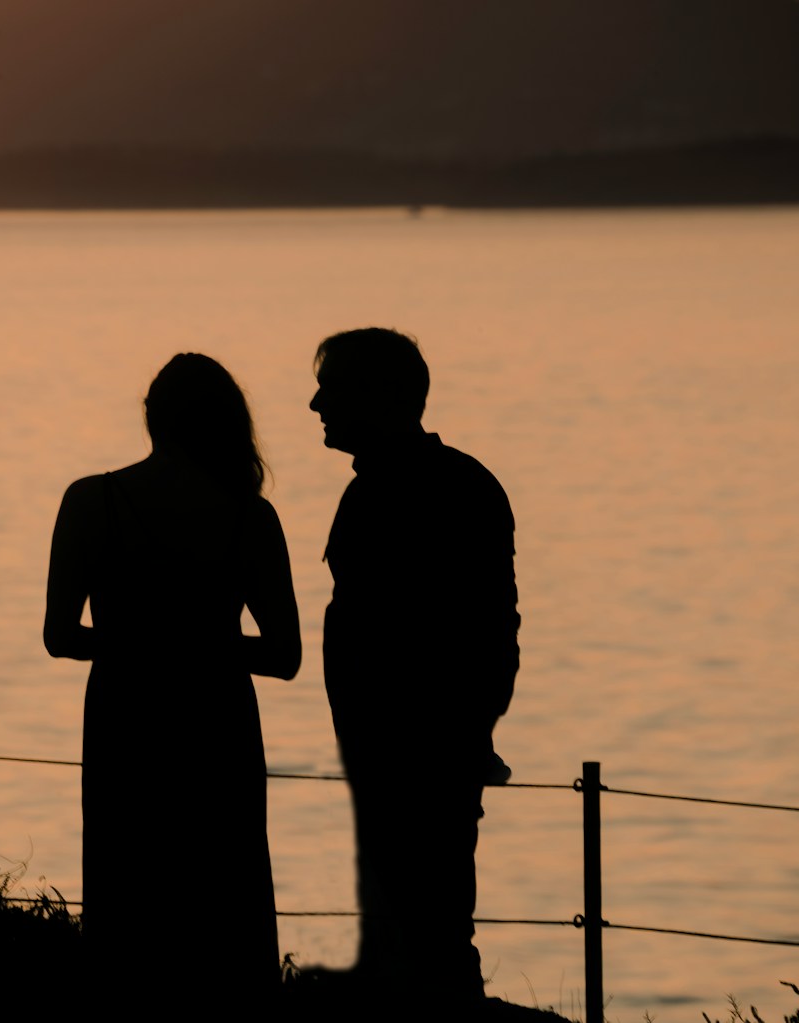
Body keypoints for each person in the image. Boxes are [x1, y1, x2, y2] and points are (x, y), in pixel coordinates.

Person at [45, 353, 301, 999]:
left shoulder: (91, 500)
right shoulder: (251, 517)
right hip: (218, 725)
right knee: (224, 894)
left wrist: (139, 642)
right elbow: (285, 655)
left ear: (152, 418)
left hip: (125, 718)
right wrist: (203, 645)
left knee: (127, 888)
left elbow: (60, 635)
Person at [309, 327, 520, 1004]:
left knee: (426, 917)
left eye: (331, 388)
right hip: (392, 744)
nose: (316, 403)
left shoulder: (440, 488)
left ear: (379, 395)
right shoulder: (430, 484)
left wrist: (462, 731)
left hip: (417, 745)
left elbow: (489, 628)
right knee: (414, 915)